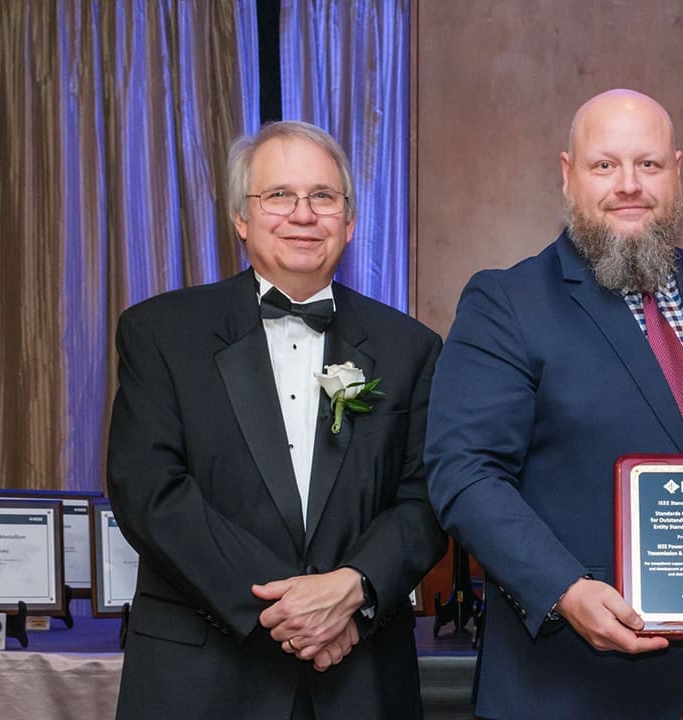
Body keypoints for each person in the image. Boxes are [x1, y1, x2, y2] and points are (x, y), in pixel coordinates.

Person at [425, 89, 683, 719]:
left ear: (676, 171)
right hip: (568, 680)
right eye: (604, 165)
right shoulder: (509, 303)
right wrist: (564, 591)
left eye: (648, 164)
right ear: (567, 174)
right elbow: (464, 472)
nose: (629, 185)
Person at [107, 120, 446, 719]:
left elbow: (424, 500)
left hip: (358, 680)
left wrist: (355, 587)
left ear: (349, 219)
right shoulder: (159, 332)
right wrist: (299, 609)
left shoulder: (410, 348)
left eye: (323, 196)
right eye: (279, 196)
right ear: (242, 218)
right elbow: (150, 493)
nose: (303, 214)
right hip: (202, 677)